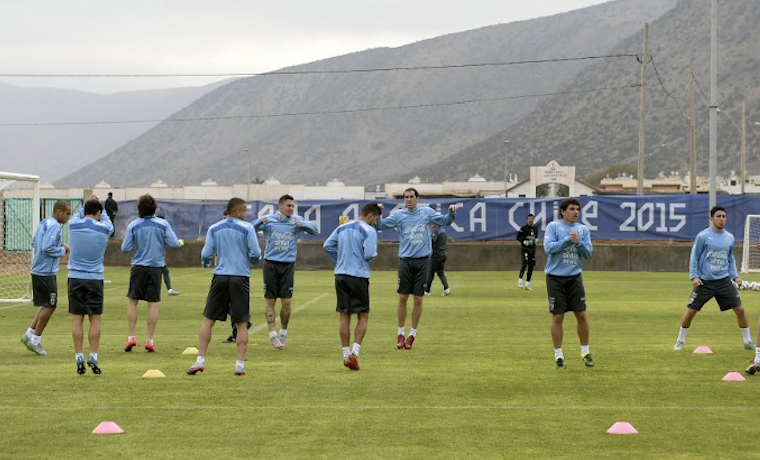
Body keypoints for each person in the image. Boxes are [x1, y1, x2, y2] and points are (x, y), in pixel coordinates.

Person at [187, 197, 261, 376]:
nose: (246, 214)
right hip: (240, 277)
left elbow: (205, 254)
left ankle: (200, 360)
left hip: (219, 277)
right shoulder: (247, 228)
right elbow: (256, 253)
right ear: (237, 211)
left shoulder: (214, 228)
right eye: (244, 211)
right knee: (241, 322)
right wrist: (251, 261)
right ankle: (239, 365)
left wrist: (206, 263)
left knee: (208, 319)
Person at [376, 188, 457, 350]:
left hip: (423, 262)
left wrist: (451, 212)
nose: (408, 200)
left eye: (411, 197)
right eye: (406, 197)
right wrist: (379, 213)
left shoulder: (426, 212)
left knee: (418, 299)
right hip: (405, 261)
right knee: (402, 298)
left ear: (417, 198)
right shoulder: (399, 215)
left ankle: (412, 334)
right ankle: (400, 333)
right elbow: (381, 226)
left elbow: (446, 221)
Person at [674, 206, 751, 352]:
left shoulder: (729, 237)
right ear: (711, 219)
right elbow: (694, 257)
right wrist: (694, 276)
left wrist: (735, 277)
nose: (721, 219)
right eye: (718, 216)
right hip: (704, 282)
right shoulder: (703, 236)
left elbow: (730, 259)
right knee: (690, 312)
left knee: (740, 310)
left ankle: (748, 342)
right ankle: (680, 341)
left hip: (724, 282)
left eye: (723, 216)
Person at [253, 194, 318, 349]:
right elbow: (251, 228)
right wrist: (261, 221)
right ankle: (272, 334)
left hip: (288, 265)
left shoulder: (296, 220)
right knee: (270, 301)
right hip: (270, 264)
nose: (291, 208)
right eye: (288, 206)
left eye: (292, 206)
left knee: (287, 302)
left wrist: (301, 225)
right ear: (280, 206)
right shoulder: (269, 220)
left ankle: (283, 330)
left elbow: (314, 230)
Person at [121, 195, 183, 353]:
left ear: (139, 208)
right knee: (153, 304)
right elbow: (175, 244)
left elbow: (125, 249)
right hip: (156, 268)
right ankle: (150, 340)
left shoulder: (133, 225)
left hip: (138, 267)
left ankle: (131, 337)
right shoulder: (163, 224)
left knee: (132, 301)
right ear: (154, 208)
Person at [323, 203, 381, 370]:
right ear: (370, 216)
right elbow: (369, 254)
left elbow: (327, 245)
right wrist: (372, 255)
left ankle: (345, 354)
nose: (375, 222)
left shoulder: (342, 227)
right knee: (363, 315)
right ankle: (354, 354)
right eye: (376, 219)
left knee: (344, 316)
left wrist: (340, 258)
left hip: (340, 275)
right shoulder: (369, 230)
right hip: (358, 276)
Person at [544, 198, 593, 370]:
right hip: (555, 278)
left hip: (574, 277)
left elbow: (588, 253)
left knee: (581, 314)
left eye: (578, 209)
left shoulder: (583, 229)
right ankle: (558, 355)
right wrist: (567, 240)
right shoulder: (553, 227)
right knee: (558, 316)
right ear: (563, 211)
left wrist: (578, 243)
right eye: (572, 209)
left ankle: (585, 352)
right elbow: (548, 248)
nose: (576, 212)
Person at [68, 196, 113, 375]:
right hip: (95, 278)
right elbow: (109, 224)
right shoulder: (104, 229)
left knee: (77, 318)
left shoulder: (74, 225)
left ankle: (79, 355)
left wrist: (87, 204)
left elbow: (79, 215)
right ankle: (93, 355)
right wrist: (103, 212)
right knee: (95, 318)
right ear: (98, 213)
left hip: (75, 277)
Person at [21, 200, 71, 355]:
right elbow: (47, 247)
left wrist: (58, 243)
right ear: (58, 212)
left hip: (39, 269)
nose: (68, 217)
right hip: (45, 272)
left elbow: (35, 242)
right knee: (51, 305)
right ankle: (35, 340)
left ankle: (29, 334)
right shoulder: (55, 226)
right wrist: (62, 250)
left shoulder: (45, 222)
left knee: (46, 304)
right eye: (67, 213)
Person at [156, 214, 180, 296]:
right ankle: (169, 289)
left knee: (165, 272)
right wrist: (177, 243)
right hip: (157, 259)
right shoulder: (162, 228)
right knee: (162, 272)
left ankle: (169, 289)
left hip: (157, 258)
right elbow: (172, 243)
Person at [424, 223, 450, 296]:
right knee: (440, 272)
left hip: (436, 255)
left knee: (430, 272)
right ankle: (446, 289)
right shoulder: (443, 231)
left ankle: (427, 291)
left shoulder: (435, 231)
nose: (431, 224)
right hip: (443, 254)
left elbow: (432, 241)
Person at [517, 213, 539, 290]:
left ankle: (527, 283)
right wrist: (524, 242)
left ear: (533, 219)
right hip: (525, 249)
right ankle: (520, 281)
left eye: (532, 219)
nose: (530, 220)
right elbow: (518, 237)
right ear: (527, 219)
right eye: (529, 219)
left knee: (531, 265)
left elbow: (536, 237)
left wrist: (536, 240)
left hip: (532, 250)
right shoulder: (523, 228)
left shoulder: (536, 228)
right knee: (525, 263)